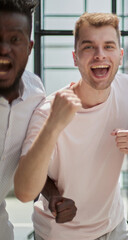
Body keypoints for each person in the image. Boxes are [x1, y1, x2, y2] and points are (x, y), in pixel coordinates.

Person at [13, 12, 128, 240]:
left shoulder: (127, 88)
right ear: (75, 58)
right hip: (58, 235)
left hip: (114, 228)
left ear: (120, 55)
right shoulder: (49, 111)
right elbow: (25, 189)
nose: (100, 55)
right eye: (89, 47)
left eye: (108, 46)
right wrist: (52, 195)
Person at [0, 0, 46, 239]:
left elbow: (34, 152)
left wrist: (53, 194)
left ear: (29, 47)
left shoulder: (35, 92)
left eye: (15, 39)